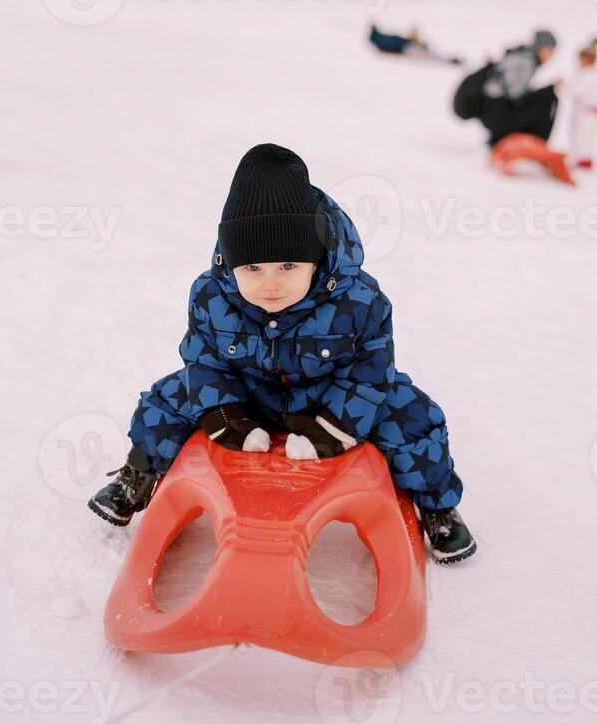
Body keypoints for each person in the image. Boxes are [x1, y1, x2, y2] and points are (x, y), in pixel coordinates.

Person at [88, 144, 476, 565]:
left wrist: (335, 426)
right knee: (166, 399)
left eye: (288, 267)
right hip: (249, 394)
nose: (269, 284)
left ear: (316, 261)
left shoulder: (359, 302)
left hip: (330, 396)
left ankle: (438, 506)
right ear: (229, 263)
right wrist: (222, 411)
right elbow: (204, 361)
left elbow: (370, 373)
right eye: (252, 269)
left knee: (413, 416)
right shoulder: (210, 295)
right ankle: (137, 474)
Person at [453, 29, 558, 147]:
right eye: (551, 50)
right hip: (496, 114)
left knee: (542, 97)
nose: (551, 56)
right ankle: (531, 145)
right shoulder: (525, 61)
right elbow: (516, 95)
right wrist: (549, 89)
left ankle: (505, 139)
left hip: (493, 112)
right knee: (548, 97)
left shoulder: (521, 56)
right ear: (543, 48)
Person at [566, 40, 597, 169]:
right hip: (585, 111)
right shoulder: (589, 74)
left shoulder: (587, 74)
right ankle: (581, 159)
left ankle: (583, 161)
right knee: (581, 137)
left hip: (586, 112)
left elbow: (578, 92)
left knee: (583, 137)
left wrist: (566, 85)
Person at [369, 24, 462, 65]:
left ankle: (448, 59)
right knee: (430, 54)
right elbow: (395, 45)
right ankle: (448, 60)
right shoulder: (382, 41)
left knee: (429, 52)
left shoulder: (382, 39)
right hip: (406, 48)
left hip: (408, 46)